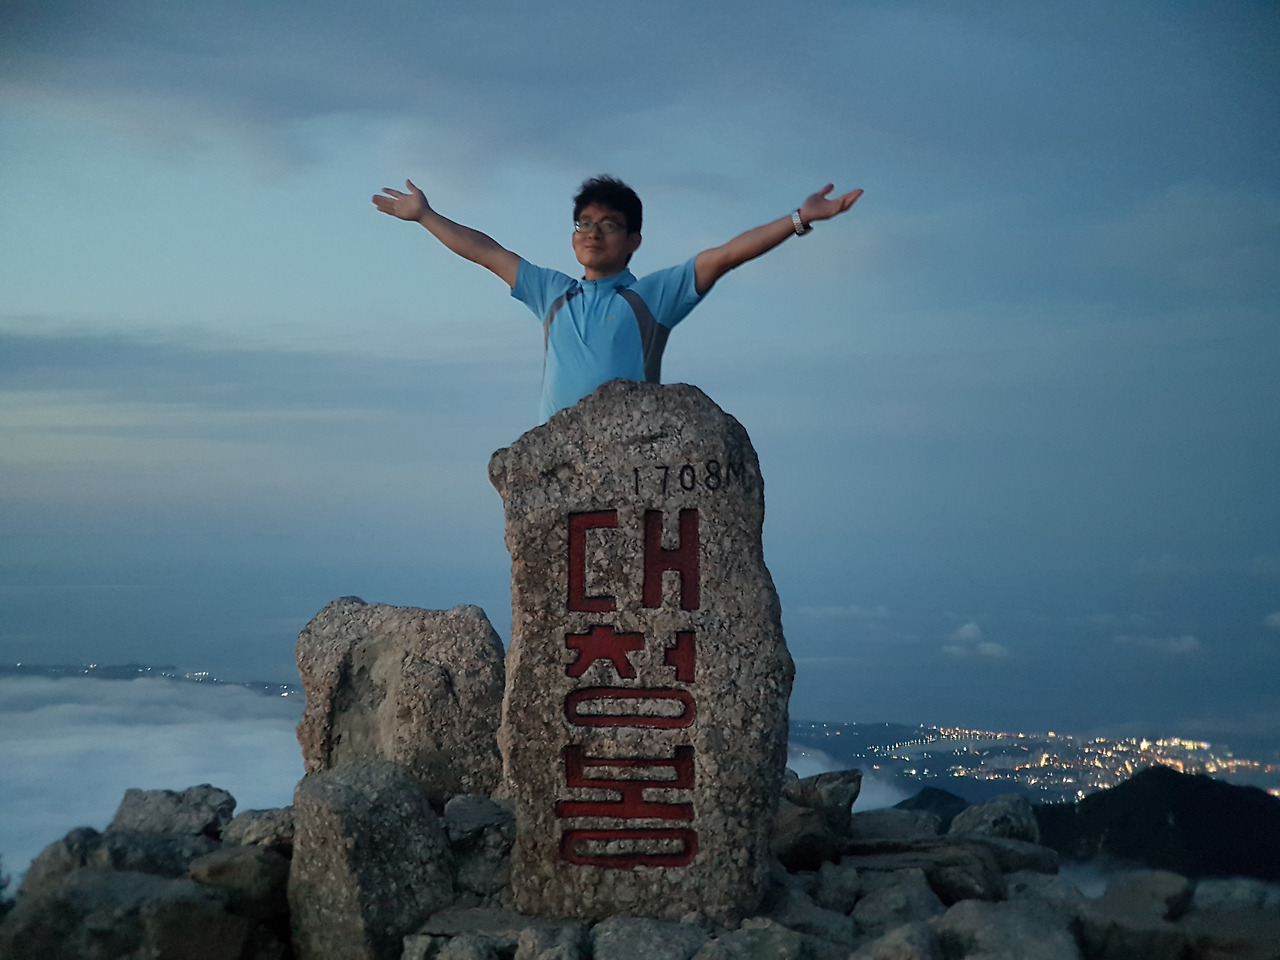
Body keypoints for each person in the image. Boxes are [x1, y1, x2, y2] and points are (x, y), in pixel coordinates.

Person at [373, 175, 862, 422]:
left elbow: (726, 256)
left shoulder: (651, 297)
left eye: (609, 225)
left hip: (630, 455)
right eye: (584, 223)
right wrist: (425, 216)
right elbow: (485, 252)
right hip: (554, 458)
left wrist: (800, 218)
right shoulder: (553, 292)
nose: (593, 233)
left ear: (633, 240)